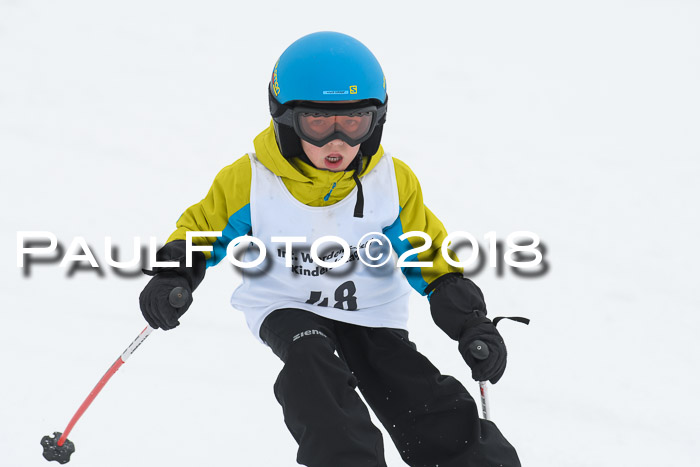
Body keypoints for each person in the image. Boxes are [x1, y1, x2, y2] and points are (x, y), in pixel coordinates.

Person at [139, 31, 521, 467]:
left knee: (411, 386)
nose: (336, 142)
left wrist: (469, 321)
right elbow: (202, 230)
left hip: (370, 311)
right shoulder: (251, 179)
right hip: (286, 302)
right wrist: (175, 275)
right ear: (285, 118)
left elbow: (428, 254)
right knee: (311, 366)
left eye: (353, 122)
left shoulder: (391, 182)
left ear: (376, 120)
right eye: (318, 122)